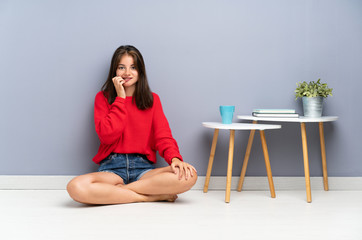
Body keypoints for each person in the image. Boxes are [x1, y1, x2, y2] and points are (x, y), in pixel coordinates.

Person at [67, 45, 197, 204]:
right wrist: (120, 99)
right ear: (114, 71)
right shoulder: (102, 98)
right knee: (76, 187)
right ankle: (148, 196)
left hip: (144, 170)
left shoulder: (152, 100)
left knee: (190, 175)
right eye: (122, 67)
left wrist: (175, 159)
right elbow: (107, 136)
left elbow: (163, 136)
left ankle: (116, 194)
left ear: (140, 71)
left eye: (133, 67)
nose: (127, 73)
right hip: (112, 169)